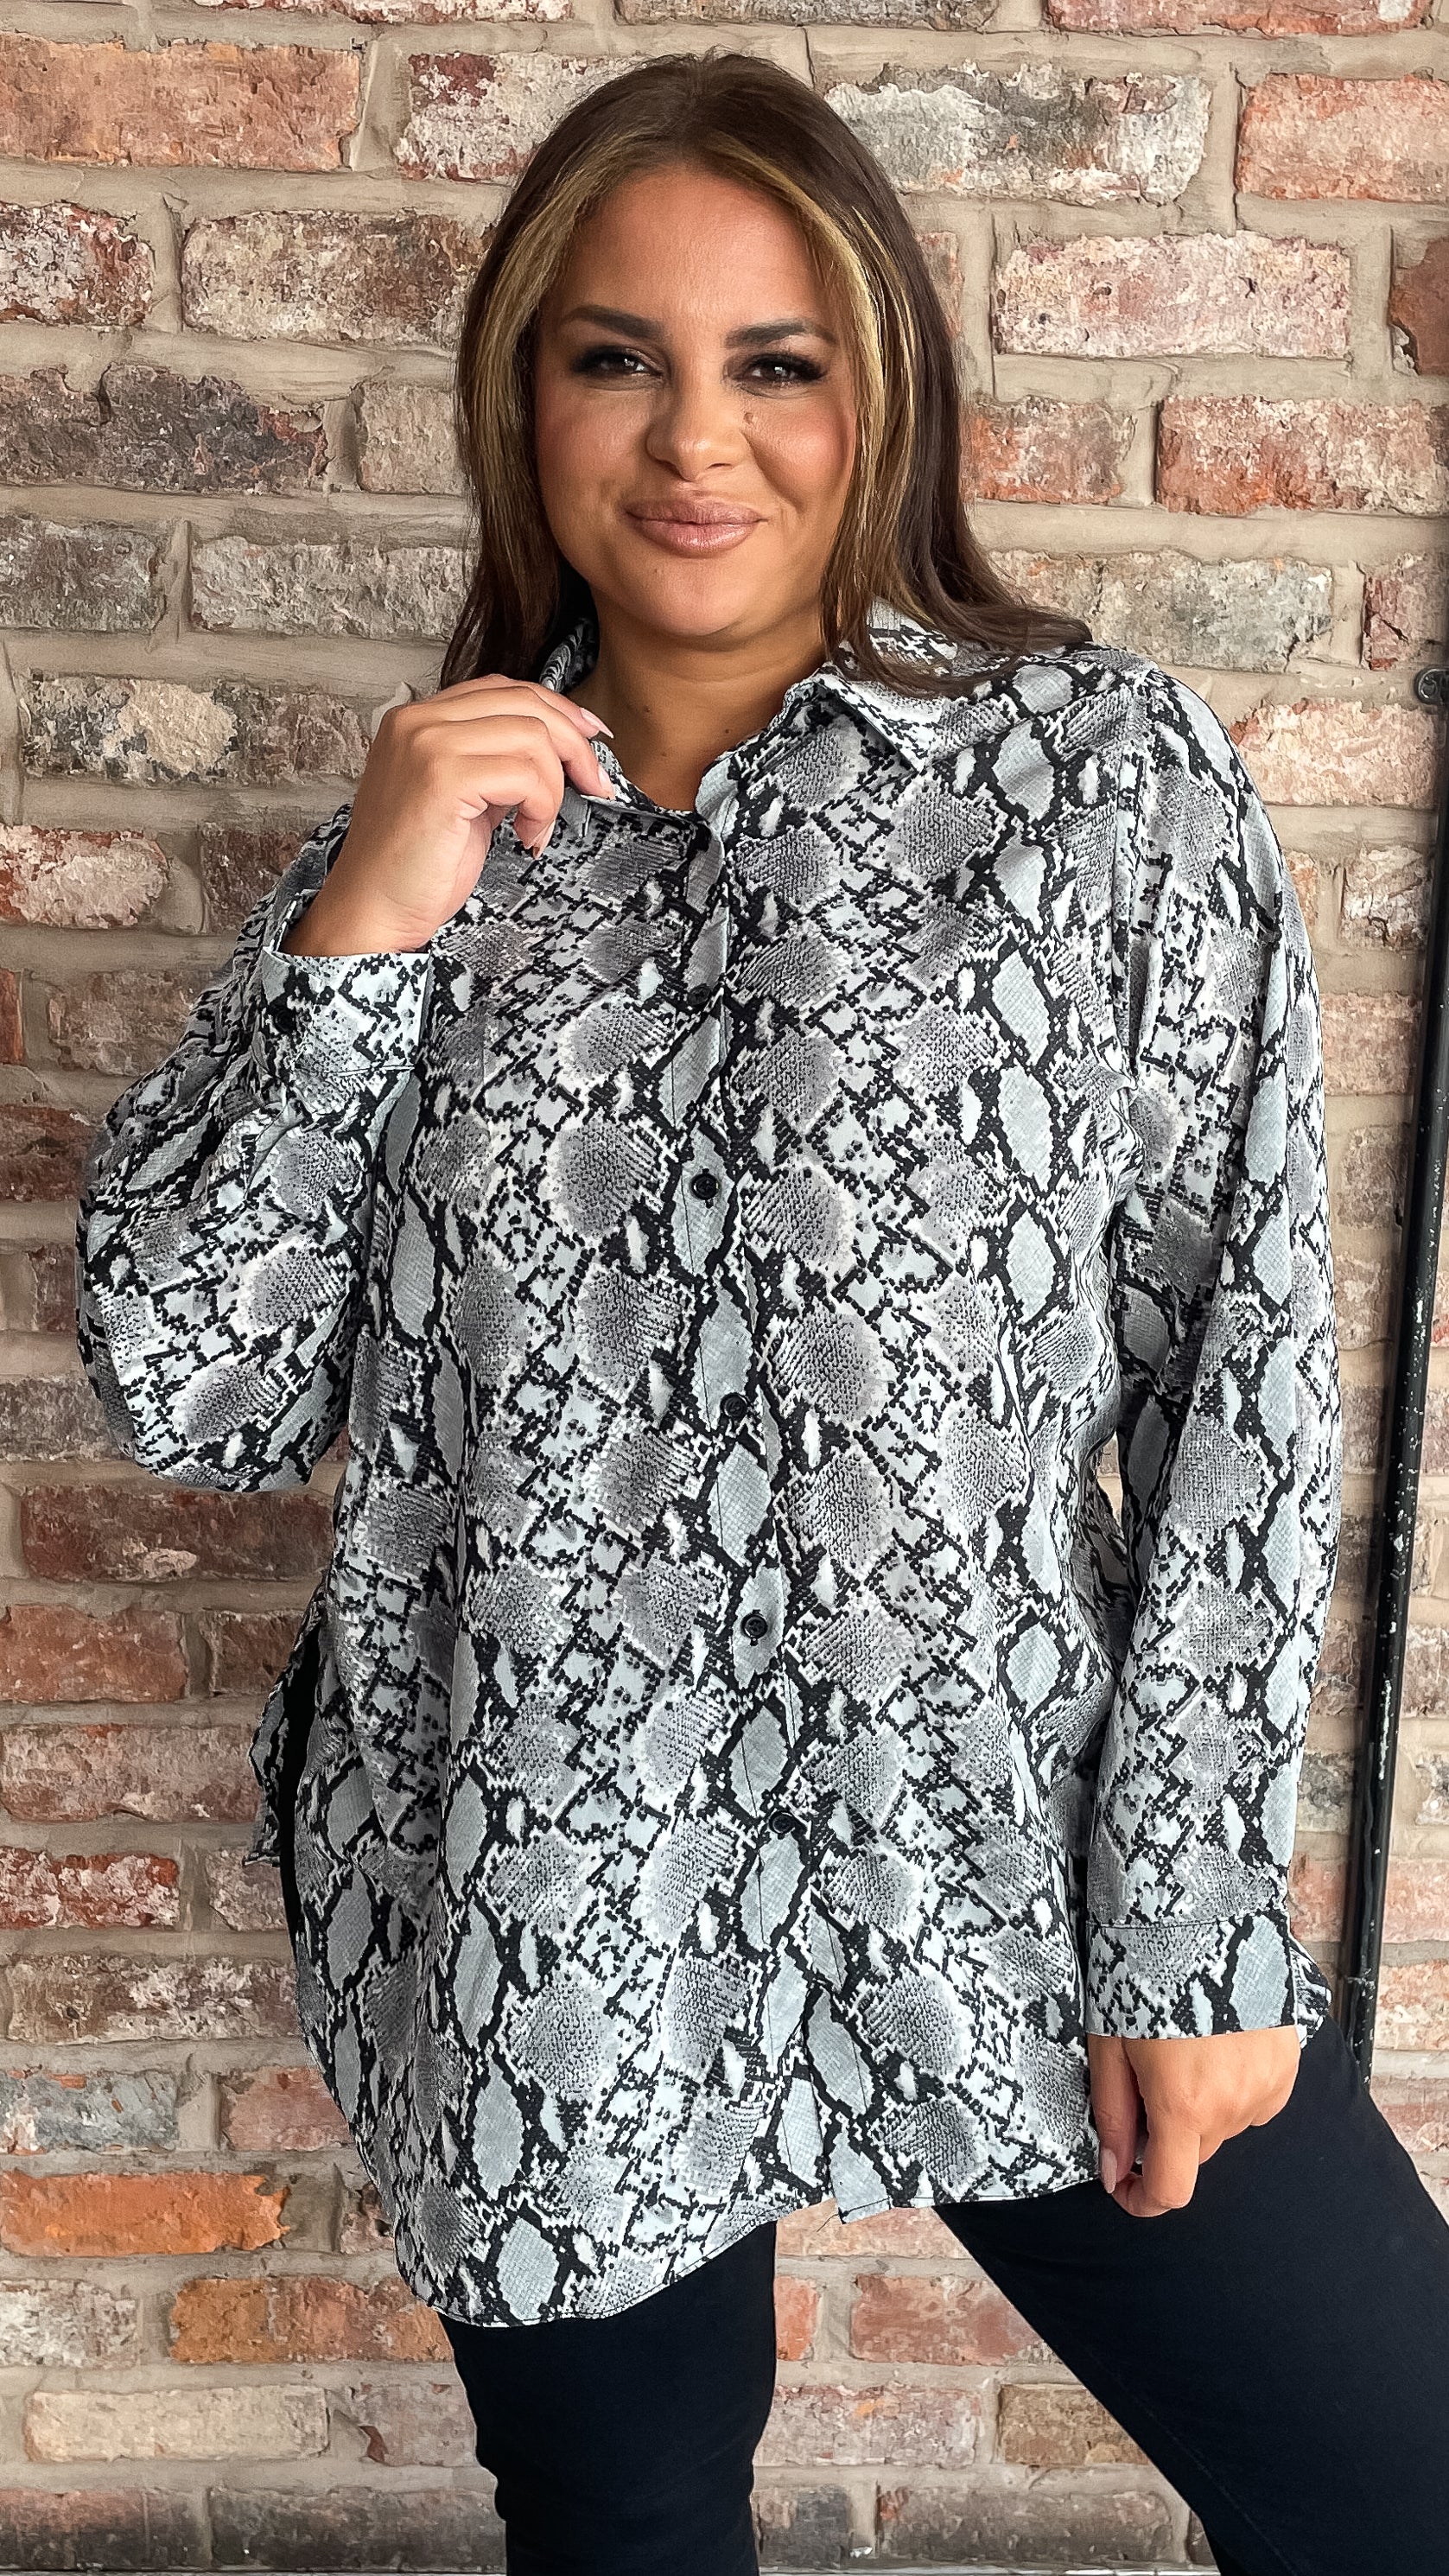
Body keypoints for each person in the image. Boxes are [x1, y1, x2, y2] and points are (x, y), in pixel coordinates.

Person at [75, 50, 1448, 2576]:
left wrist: (1198, 1922)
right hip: (544, 1893)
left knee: (1398, 2480)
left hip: (1002, 1840)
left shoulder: (1097, 786)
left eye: (775, 362)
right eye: (618, 357)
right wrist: (359, 927)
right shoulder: (421, 852)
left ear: (878, 394)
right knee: (631, 2540)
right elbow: (199, 1388)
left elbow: (1237, 1379)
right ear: (522, 397)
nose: (696, 439)